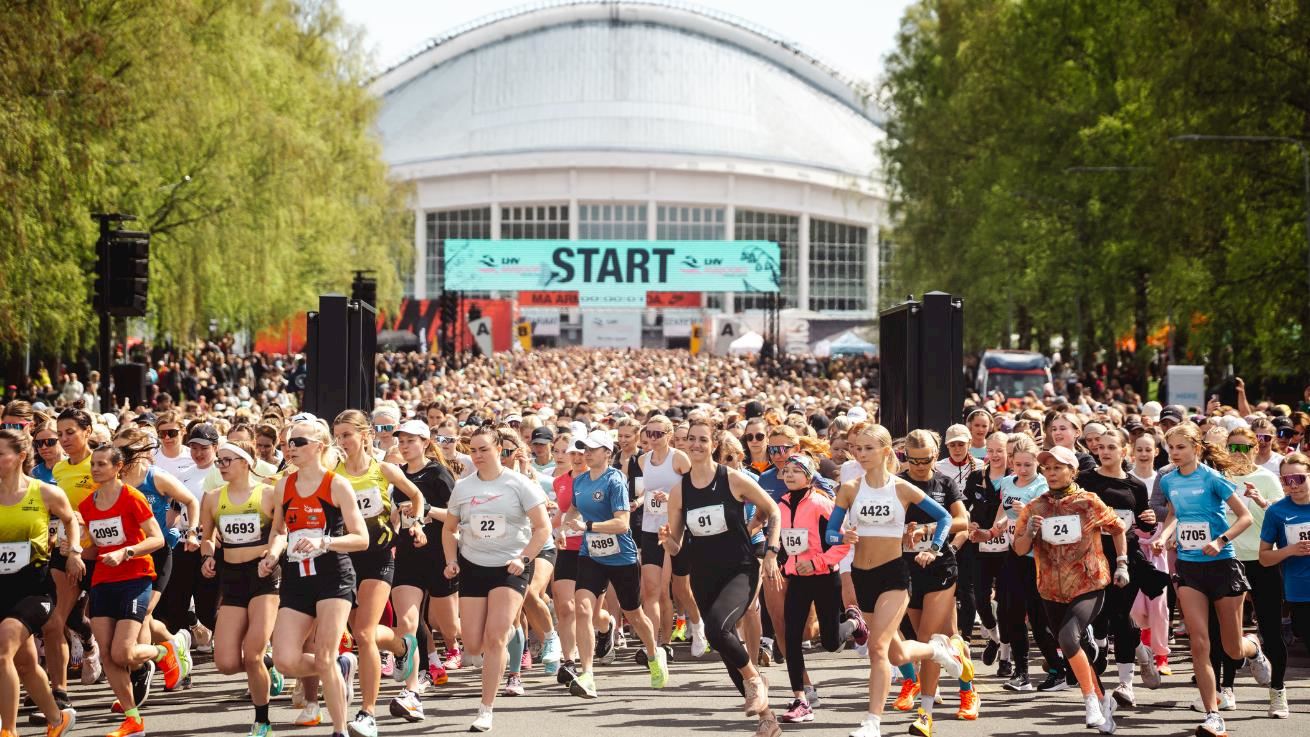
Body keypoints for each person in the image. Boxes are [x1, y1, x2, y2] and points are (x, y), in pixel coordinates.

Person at [827, 422, 970, 737]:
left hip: (894, 574)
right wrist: (843, 535)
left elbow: (948, 517)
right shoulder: (850, 489)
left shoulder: (901, 488)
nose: (861, 454)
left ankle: (871, 722)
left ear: (885, 451)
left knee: (877, 648)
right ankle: (935, 651)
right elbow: (830, 533)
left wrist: (934, 545)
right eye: (857, 448)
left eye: (868, 448)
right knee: (897, 653)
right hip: (864, 578)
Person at [658, 414, 784, 737]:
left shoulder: (731, 479)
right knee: (722, 644)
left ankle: (755, 679)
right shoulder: (680, 491)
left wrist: (770, 550)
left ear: (713, 445)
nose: (697, 445)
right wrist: (667, 541)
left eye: (703, 440)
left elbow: (773, 510)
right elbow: (677, 546)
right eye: (692, 440)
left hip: (741, 569)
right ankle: (767, 718)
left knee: (716, 627)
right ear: (683, 444)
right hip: (704, 576)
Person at [1152, 423, 1273, 737]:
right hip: (1190, 567)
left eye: (1180, 447)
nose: (1175, 453)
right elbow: (1174, 513)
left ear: (1196, 447)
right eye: (1171, 448)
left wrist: (1220, 541)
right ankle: (1213, 714)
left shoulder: (1213, 478)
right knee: (1199, 643)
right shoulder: (1168, 481)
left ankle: (1253, 648)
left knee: (1232, 648)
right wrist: (1163, 535)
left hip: (1222, 563)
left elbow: (1244, 517)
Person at [442, 424, 551, 732]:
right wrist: (451, 560)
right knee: (473, 645)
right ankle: (511, 639)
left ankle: (485, 708)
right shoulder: (463, 487)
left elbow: (542, 527)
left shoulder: (518, 483)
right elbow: (449, 529)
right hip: (474, 566)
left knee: (494, 638)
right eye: (473, 450)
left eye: (484, 449)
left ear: (498, 449)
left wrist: (524, 557)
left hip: (510, 567)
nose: (477, 456)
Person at [1013, 445, 1128, 734]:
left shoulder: (1088, 501)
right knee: (1069, 645)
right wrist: (1029, 531)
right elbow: (1019, 549)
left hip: (1089, 583)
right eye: (1047, 468)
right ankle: (1103, 703)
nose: (1051, 473)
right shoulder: (1035, 506)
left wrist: (1122, 564)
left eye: (1057, 468)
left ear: (1072, 471)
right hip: (1050, 588)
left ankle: (1089, 699)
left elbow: (1117, 527)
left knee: (1067, 636)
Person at [266, 418, 369, 737]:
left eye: (298, 442)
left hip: (332, 577)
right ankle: (338, 668)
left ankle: (339, 729)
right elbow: (280, 531)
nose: (291, 448)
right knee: (284, 659)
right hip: (297, 577)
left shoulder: (336, 485)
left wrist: (325, 541)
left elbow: (361, 537)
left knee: (324, 653)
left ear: (318, 447)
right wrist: (271, 555)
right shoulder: (283, 484)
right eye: (288, 442)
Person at [331, 410, 426, 737]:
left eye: (347, 434)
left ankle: (367, 714)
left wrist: (417, 522)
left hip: (379, 556)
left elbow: (416, 495)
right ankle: (401, 647)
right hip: (346, 558)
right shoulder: (335, 474)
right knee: (362, 632)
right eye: (338, 435)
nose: (342, 441)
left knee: (365, 634)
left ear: (364, 435)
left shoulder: (382, 469)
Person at [562, 429, 670, 700]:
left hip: (621, 556)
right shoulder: (581, 481)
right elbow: (575, 507)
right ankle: (588, 675)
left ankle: (654, 654)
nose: (586, 453)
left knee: (633, 613)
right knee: (583, 608)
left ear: (607, 453)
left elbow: (622, 523)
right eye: (584, 448)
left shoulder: (615, 481)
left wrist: (588, 525)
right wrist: (566, 523)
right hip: (591, 555)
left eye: (592, 449)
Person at [81, 444, 171, 737]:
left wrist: (126, 552)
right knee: (107, 655)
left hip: (135, 577)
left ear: (117, 467)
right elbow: (95, 547)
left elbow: (156, 539)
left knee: (123, 653)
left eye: (102, 464)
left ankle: (164, 651)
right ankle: (133, 720)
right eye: (93, 464)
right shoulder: (87, 505)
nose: (95, 469)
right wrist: (74, 552)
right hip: (103, 583)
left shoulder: (132, 498)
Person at [773, 453, 865, 725]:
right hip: (797, 579)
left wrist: (815, 562)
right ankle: (801, 699)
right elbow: (783, 541)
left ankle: (853, 622)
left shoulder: (822, 504)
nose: (789, 475)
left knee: (830, 642)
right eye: (786, 471)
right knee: (791, 637)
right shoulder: (781, 504)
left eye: (796, 471)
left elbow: (843, 543)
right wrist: (782, 562)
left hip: (825, 577)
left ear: (809, 475)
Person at [199, 440, 282, 737]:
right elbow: (207, 537)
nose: (220, 466)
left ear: (245, 462)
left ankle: (262, 720)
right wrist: (207, 555)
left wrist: (272, 556)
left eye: (226, 460)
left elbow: (279, 533)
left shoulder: (269, 494)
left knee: (252, 654)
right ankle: (269, 664)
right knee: (225, 662)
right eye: (218, 461)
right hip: (231, 576)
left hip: (263, 575)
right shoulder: (211, 498)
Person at [0, 428, 79, 737]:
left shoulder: (44, 492)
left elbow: (70, 519)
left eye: (0, 454)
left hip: (34, 588)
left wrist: (73, 551)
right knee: (25, 664)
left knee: (3, 646)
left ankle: (7, 730)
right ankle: (56, 717)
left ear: (20, 457)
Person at [1076, 428, 1160, 707]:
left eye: (1112, 446)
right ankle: (1140, 650)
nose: (1105, 451)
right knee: (1101, 616)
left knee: (1121, 616)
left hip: (1126, 557)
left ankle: (1126, 684)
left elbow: (1143, 522)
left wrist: (1148, 520)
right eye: (1101, 447)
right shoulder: (1086, 480)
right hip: (1091, 556)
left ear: (1124, 451)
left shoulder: (1135, 485)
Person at [897, 429, 973, 730]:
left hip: (940, 567)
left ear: (935, 454)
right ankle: (969, 688)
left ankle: (925, 715)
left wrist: (927, 529)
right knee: (947, 638)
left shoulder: (944, 482)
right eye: (913, 460)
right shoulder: (898, 485)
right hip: (908, 567)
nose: (920, 466)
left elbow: (962, 520)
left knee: (928, 641)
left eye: (927, 459)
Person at [388, 419, 458, 723]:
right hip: (407, 556)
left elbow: (458, 517)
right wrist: (395, 521)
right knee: (408, 622)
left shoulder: (439, 474)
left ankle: (504, 643)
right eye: (401, 441)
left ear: (426, 442)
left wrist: (425, 510)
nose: (404, 445)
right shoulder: (398, 476)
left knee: (450, 628)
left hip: (439, 555)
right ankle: (413, 690)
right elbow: (394, 517)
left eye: (411, 440)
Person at [1215, 426, 1285, 716]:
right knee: (1226, 629)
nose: (1238, 453)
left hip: (1262, 561)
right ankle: (1226, 689)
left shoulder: (1267, 478)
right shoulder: (1220, 478)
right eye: (1232, 447)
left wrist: (1261, 502)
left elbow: (1283, 516)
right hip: (1229, 560)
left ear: (1255, 449)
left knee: (1270, 627)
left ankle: (1278, 693)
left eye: (1244, 447)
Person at [636, 415, 695, 656]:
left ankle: (667, 641)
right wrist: (639, 501)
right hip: (650, 528)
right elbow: (646, 492)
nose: (653, 438)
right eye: (649, 433)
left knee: (664, 589)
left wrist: (672, 499)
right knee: (650, 590)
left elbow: (696, 489)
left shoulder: (679, 458)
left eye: (658, 433)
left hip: (673, 529)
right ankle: (653, 644)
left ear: (669, 435)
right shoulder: (642, 460)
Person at [1258, 452, 1310, 718]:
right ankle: (1278, 693)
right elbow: (1264, 558)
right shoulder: (1277, 512)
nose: (1294, 484)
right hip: (1298, 590)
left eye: (1299, 477)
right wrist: (1289, 550)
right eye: (1287, 480)